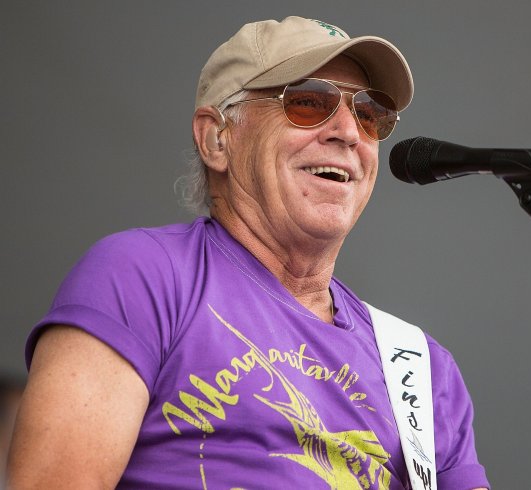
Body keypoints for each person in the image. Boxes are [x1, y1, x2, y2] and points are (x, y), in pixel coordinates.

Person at [7, 16, 490, 489]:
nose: (348, 131)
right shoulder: (142, 276)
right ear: (216, 138)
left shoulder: (421, 368)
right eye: (308, 101)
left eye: (369, 114)